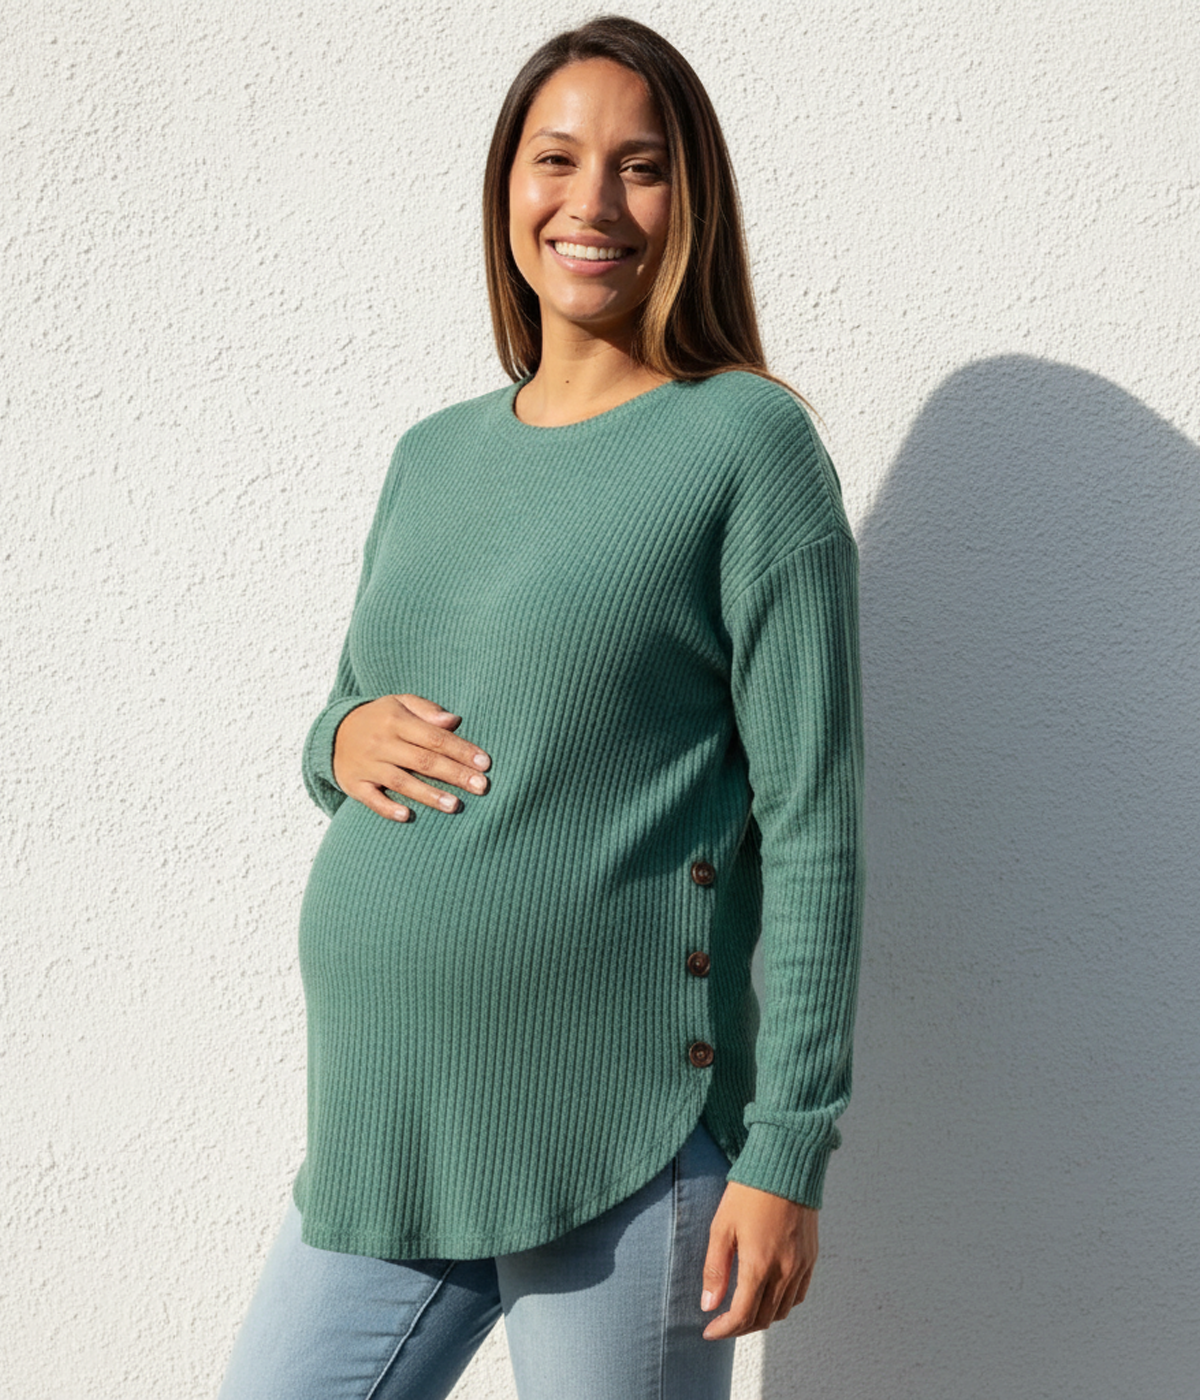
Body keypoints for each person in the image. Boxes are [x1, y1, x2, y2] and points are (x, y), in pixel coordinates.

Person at [217, 14, 865, 1400]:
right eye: (556, 159)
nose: (593, 202)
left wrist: (787, 1149)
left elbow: (813, 821)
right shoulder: (433, 455)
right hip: (391, 1131)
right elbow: (351, 714)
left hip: (620, 1129)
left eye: (641, 166)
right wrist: (335, 741)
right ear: (506, 184)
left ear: (691, 200)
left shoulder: (745, 445)